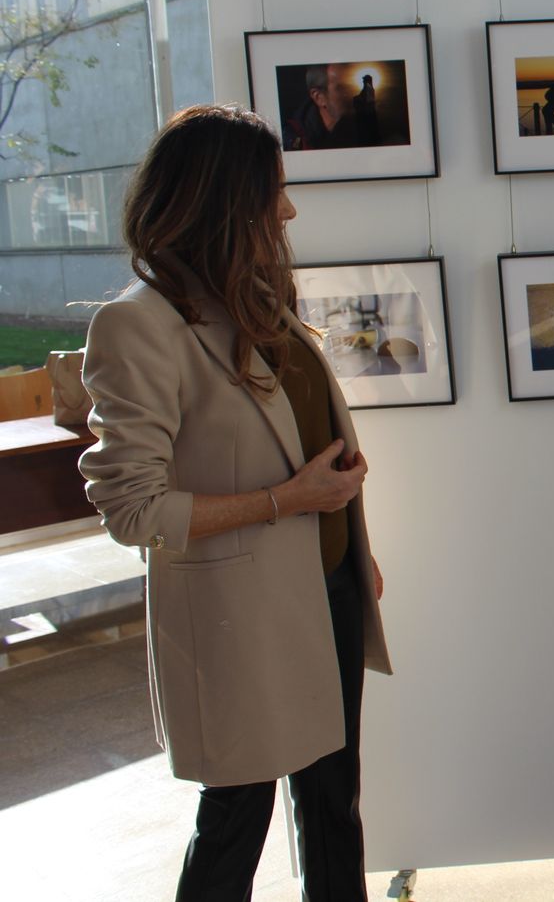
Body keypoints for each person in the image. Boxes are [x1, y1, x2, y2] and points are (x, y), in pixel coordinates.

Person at [78, 104, 391, 900]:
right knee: (238, 816)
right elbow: (133, 511)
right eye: (273, 190)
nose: (287, 210)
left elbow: (307, 437)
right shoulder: (137, 326)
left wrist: (354, 547)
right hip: (238, 614)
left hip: (328, 588)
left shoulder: (257, 299)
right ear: (222, 199)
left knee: (333, 805)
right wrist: (291, 498)